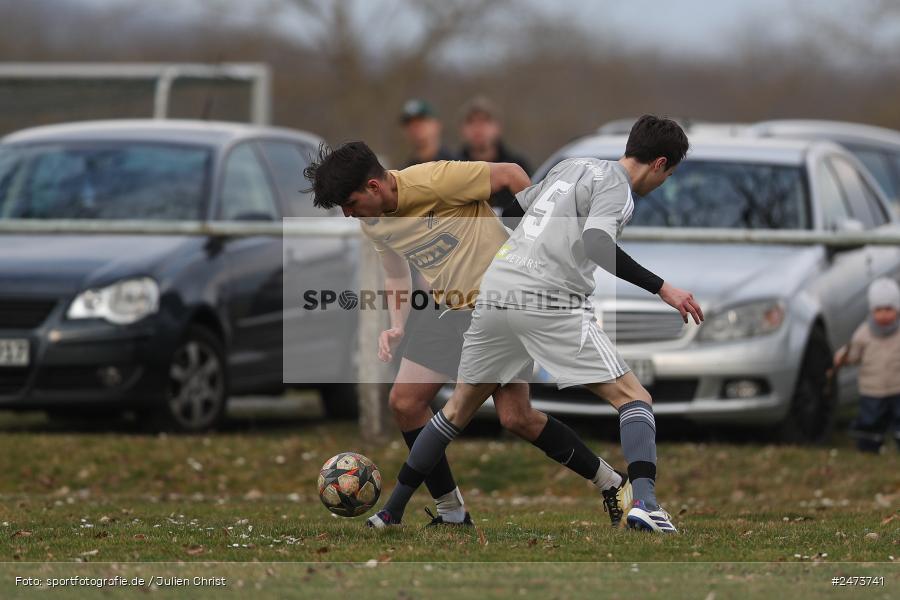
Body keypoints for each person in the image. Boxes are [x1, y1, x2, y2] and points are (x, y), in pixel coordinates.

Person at [368, 115, 702, 534]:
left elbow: (516, 208)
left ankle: (392, 511)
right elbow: (597, 243)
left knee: (456, 411)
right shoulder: (617, 188)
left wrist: (518, 255)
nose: (662, 182)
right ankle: (646, 504)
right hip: (546, 299)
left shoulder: (572, 165)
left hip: (496, 289)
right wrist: (663, 288)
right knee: (634, 397)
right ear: (659, 164)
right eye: (667, 175)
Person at [304, 141, 634, 528]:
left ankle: (612, 482)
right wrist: (396, 324)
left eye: (350, 203)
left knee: (516, 417)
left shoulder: (436, 179)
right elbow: (395, 273)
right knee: (405, 403)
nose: (347, 214)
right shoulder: (372, 220)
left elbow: (511, 174)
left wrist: (535, 239)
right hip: (445, 310)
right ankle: (451, 511)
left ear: (374, 187)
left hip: (500, 305)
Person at [833, 277, 900, 453]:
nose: (884, 315)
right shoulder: (864, 333)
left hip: (897, 386)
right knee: (871, 420)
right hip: (872, 389)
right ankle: (870, 446)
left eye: (888, 309)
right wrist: (843, 357)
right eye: (879, 310)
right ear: (871, 311)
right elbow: (853, 353)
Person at [458, 96, 532, 216]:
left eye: (485, 121)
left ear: (498, 127)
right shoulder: (452, 168)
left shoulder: (518, 165)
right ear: (462, 129)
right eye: (471, 121)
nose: (478, 128)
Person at [400, 98, 456, 167]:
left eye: (421, 121)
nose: (415, 127)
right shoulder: (404, 172)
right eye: (409, 123)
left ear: (437, 125)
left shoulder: (457, 164)